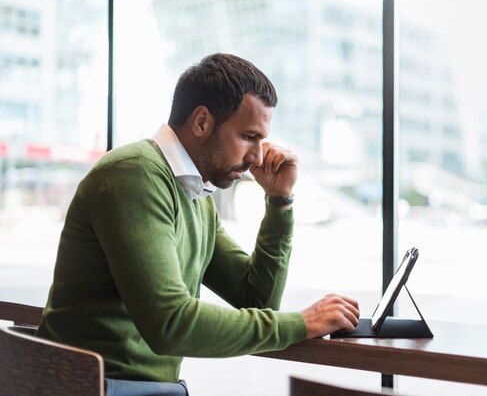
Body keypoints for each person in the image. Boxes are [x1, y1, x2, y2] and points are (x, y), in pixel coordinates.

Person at [36, 53, 360, 395]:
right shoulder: (134, 175)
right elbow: (171, 323)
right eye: (249, 136)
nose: (258, 156)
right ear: (202, 122)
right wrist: (301, 323)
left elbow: (257, 301)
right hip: (92, 387)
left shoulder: (196, 195)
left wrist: (279, 201)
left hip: (134, 388)